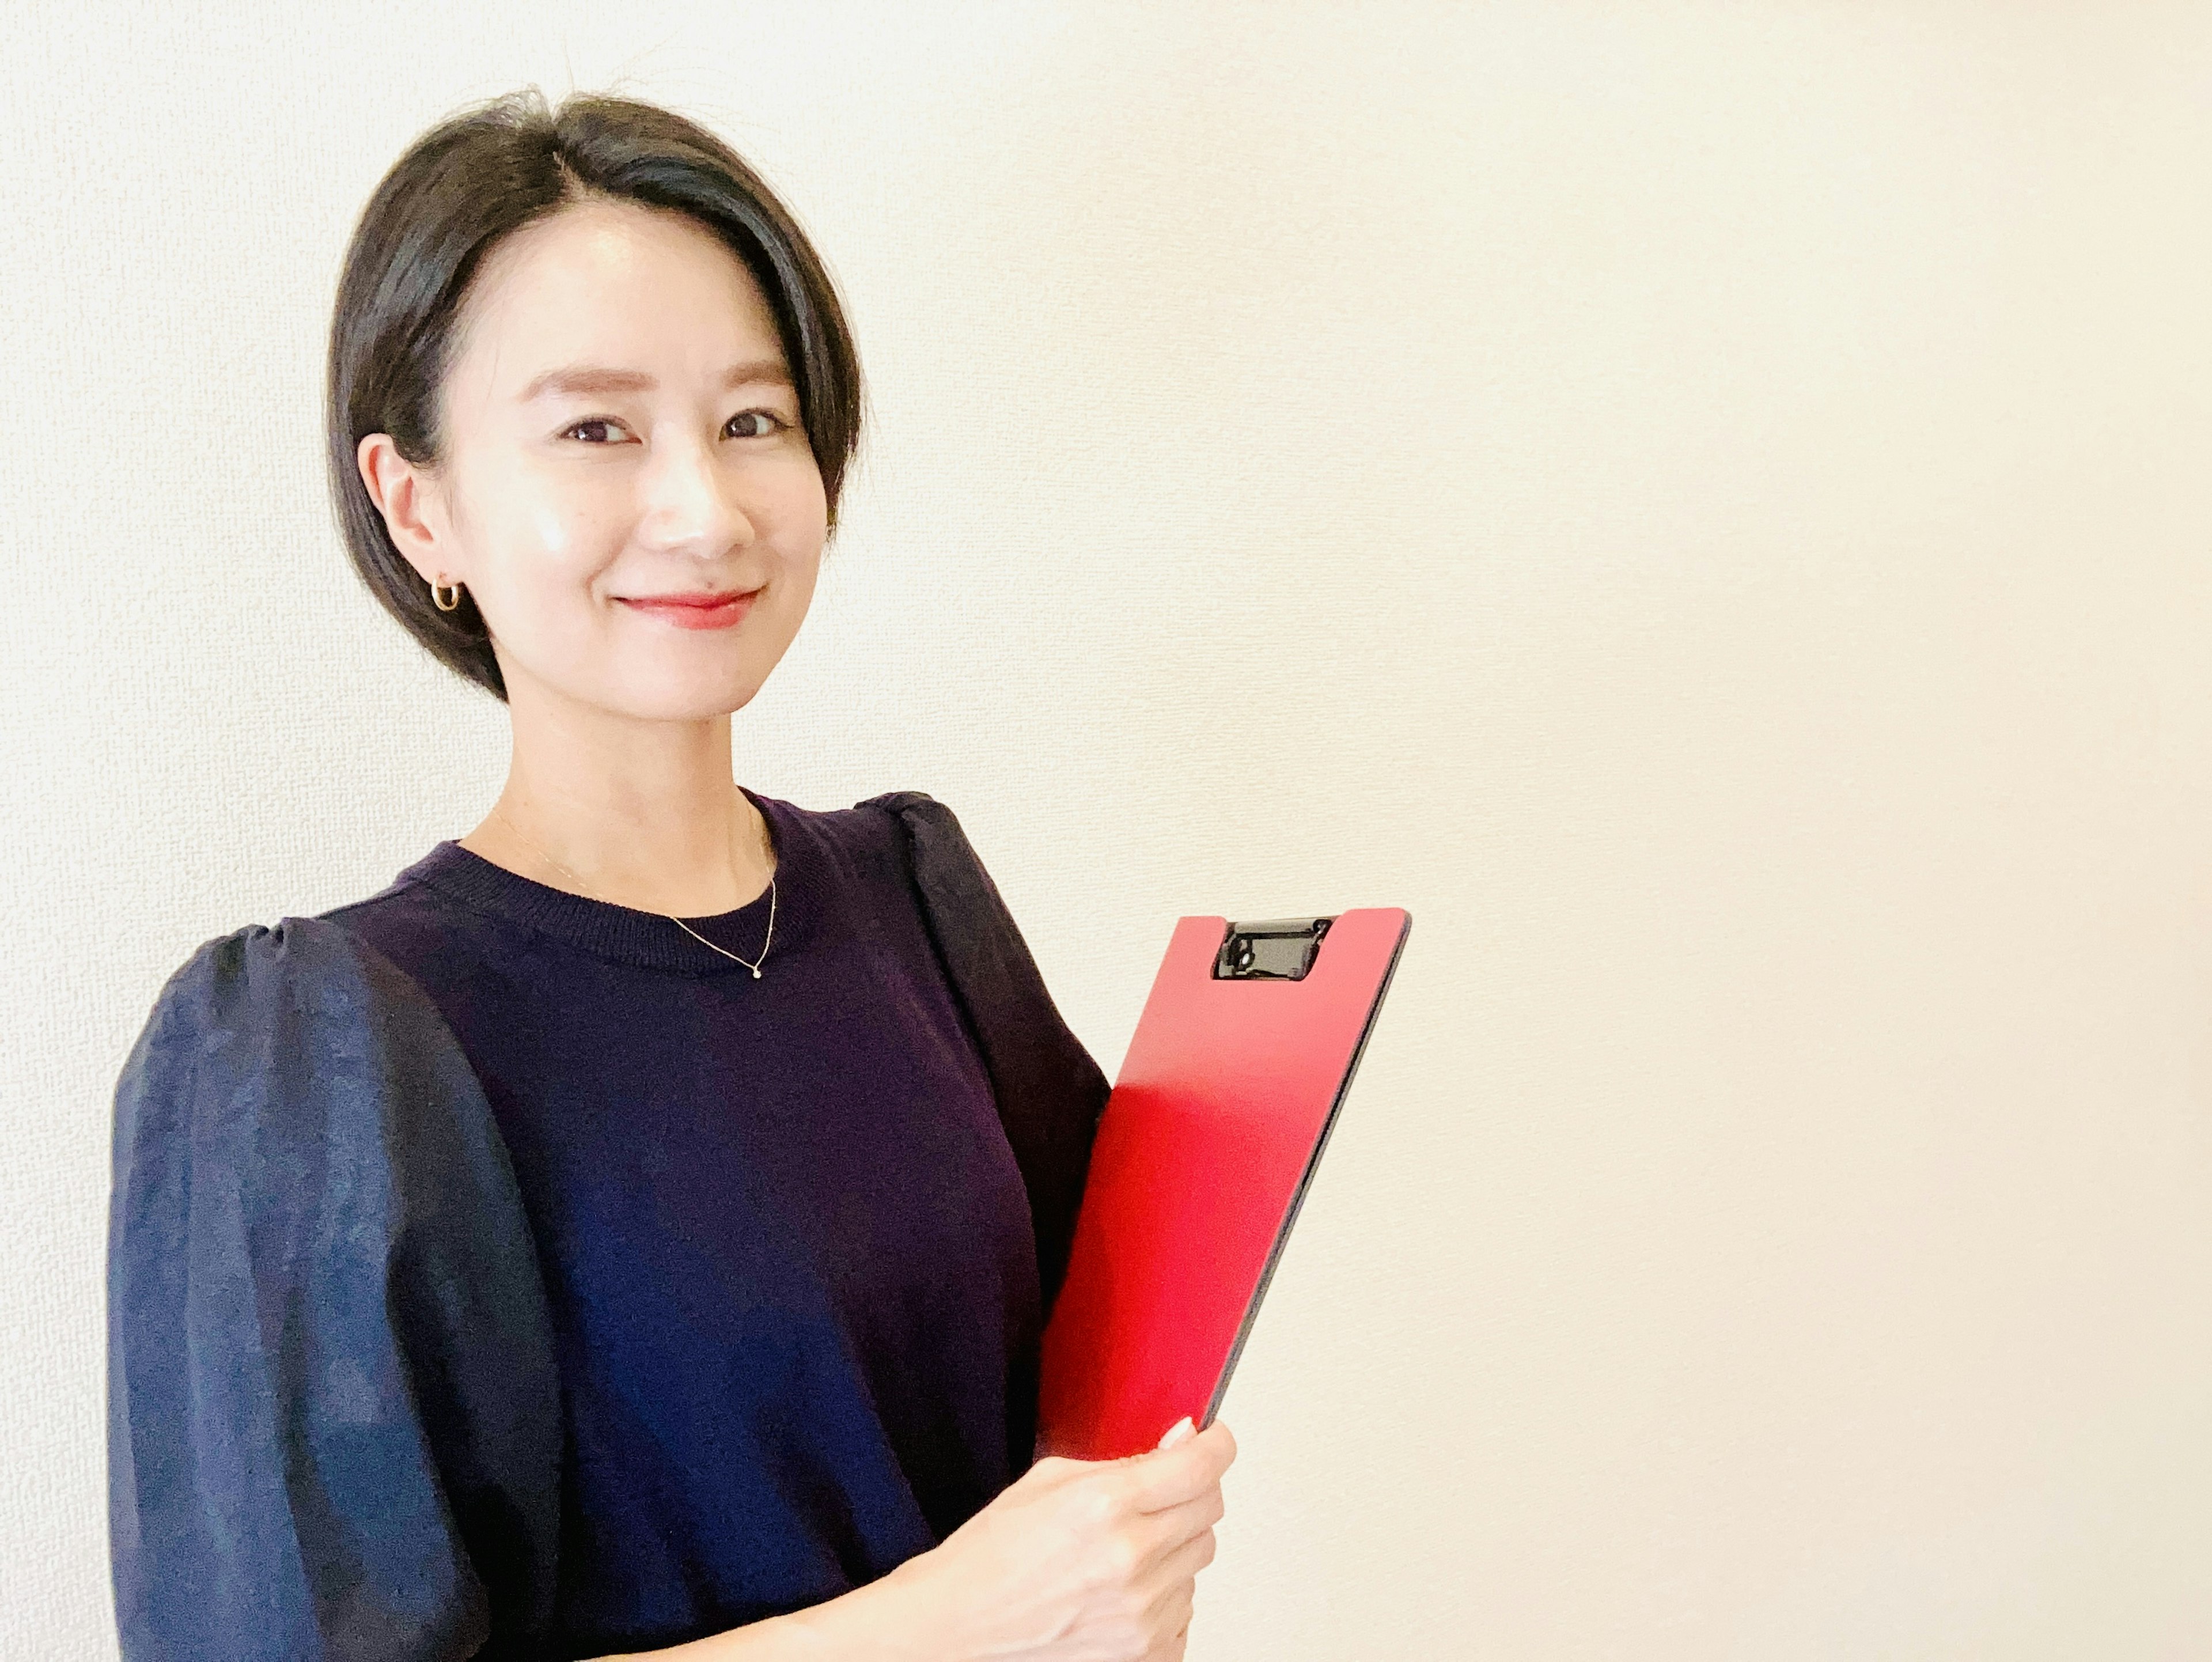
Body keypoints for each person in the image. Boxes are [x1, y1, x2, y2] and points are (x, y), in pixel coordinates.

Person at [105, 87, 1235, 1662]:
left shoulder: (917, 906)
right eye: (598, 430)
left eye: (753, 422)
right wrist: (950, 1627)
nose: (703, 509)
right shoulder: (311, 1057)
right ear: (417, 501)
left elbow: (1088, 1463)